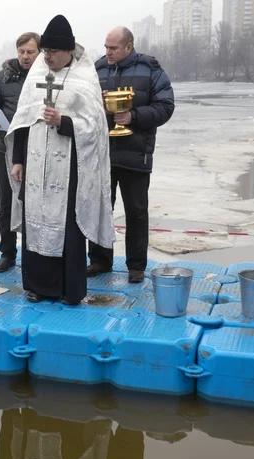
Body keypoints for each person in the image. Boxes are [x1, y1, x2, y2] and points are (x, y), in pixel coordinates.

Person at [5, 14, 115, 305]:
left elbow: (95, 128)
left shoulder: (85, 78)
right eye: (45, 51)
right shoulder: (37, 74)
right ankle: (37, 286)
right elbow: (23, 121)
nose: (47, 57)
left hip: (69, 169)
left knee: (67, 230)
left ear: (68, 50)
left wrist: (64, 121)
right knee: (35, 224)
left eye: (53, 52)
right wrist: (18, 160)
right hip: (34, 165)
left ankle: (69, 289)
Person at [87, 27, 174, 283]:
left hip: (136, 154)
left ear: (128, 46)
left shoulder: (151, 70)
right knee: (101, 210)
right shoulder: (97, 70)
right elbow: (81, 106)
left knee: (136, 212)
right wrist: (97, 105)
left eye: (112, 48)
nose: (107, 52)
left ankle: (136, 266)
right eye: (105, 47)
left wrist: (133, 117)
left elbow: (166, 107)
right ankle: (100, 260)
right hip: (102, 155)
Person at [0, 32, 40, 273]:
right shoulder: (3, 77)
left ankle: (35, 251)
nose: (25, 57)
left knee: (34, 203)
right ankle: (7, 252)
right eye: (22, 52)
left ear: (40, 52)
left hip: (36, 150)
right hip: (5, 147)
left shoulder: (46, 76)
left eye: (30, 52)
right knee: (7, 201)